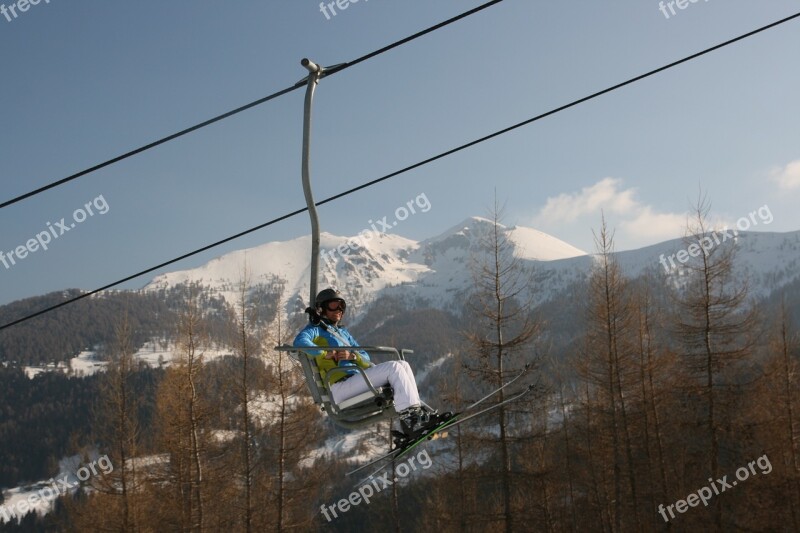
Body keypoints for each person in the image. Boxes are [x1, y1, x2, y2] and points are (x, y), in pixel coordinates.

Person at [293, 288, 448, 438]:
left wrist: (352, 356)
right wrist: (326, 353)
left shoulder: (342, 332)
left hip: (356, 381)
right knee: (394, 368)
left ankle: (415, 414)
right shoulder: (316, 330)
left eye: (342, 305)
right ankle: (409, 420)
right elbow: (300, 342)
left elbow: (365, 357)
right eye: (334, 305)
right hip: (340, 387)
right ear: (321, 308)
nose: (339, 309)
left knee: (403, 364)